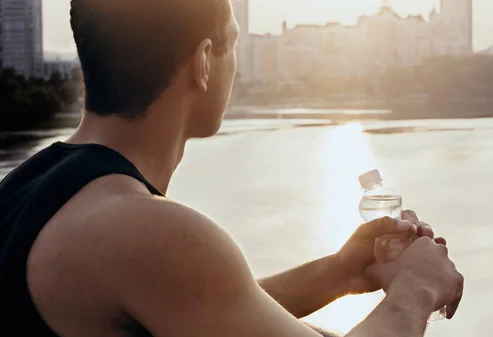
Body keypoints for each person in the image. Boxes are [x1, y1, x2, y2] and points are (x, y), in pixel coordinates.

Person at [0, 0, 464, 336]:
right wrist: (417, 288)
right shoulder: (146, 231)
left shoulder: (27, 189)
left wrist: (340, 272)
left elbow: (195, 307)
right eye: (234, 44)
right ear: (204, 62)